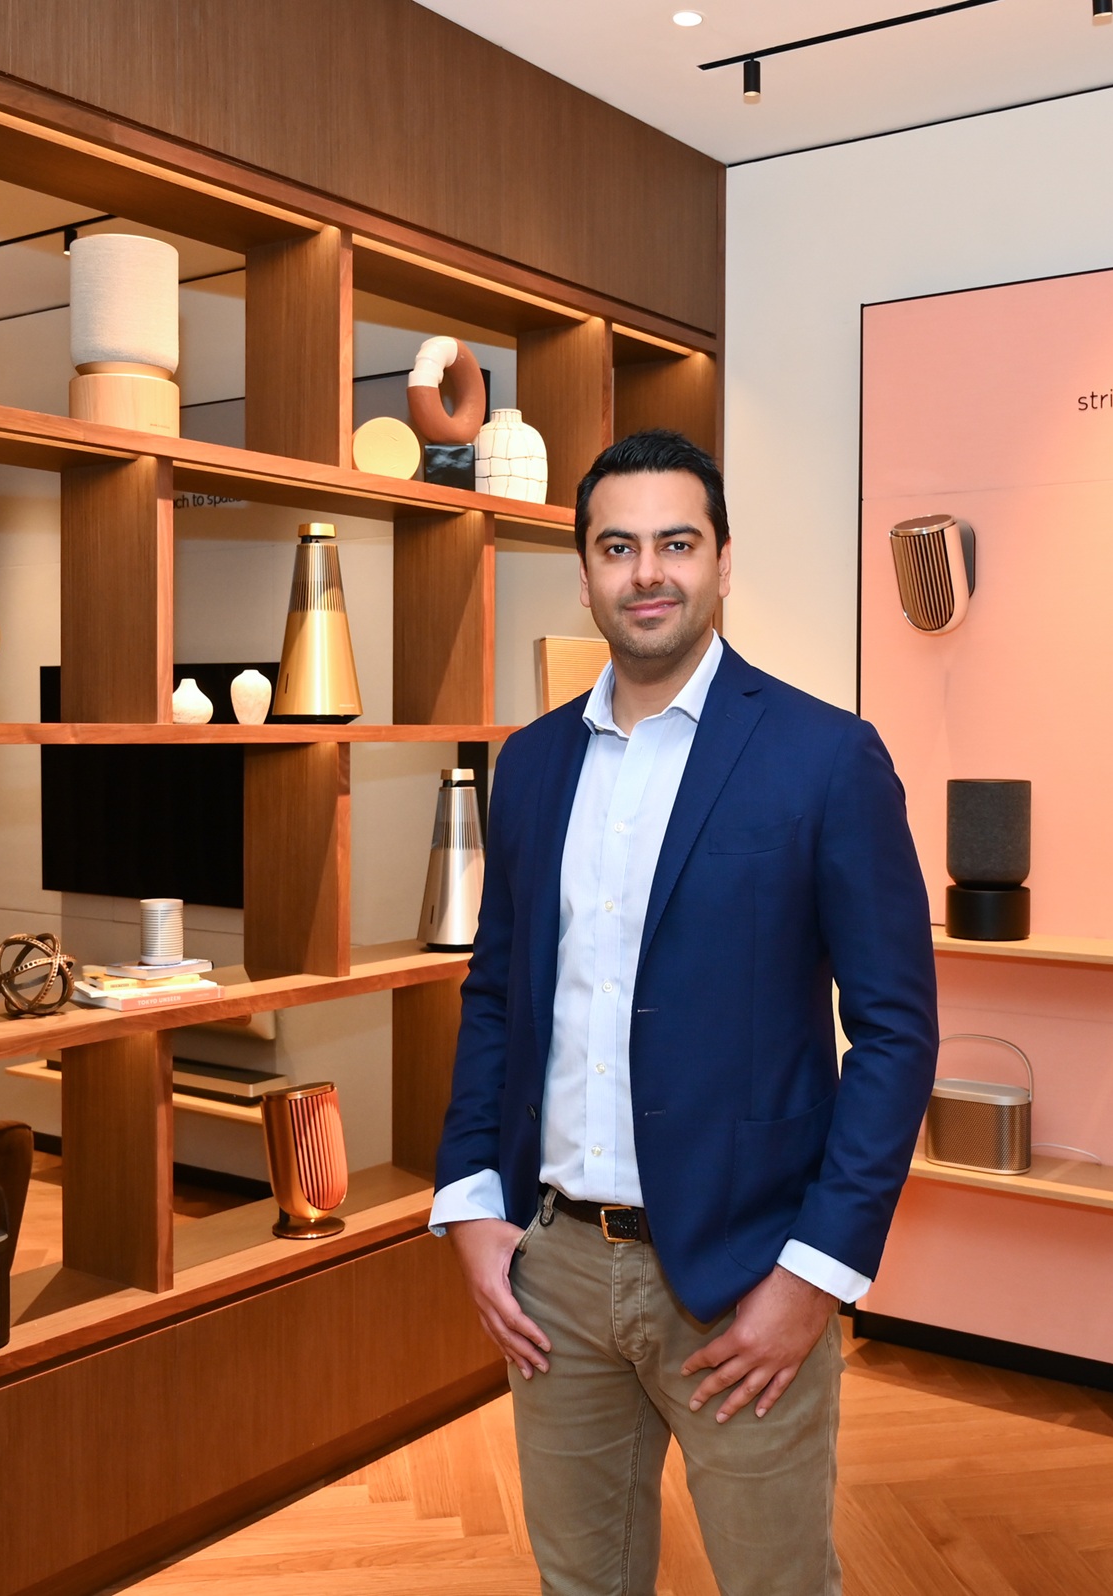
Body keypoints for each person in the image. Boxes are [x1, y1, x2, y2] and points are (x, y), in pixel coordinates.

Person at [430, 429, 938, 1594]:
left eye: (676, 543)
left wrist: (815, 1275)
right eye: (618, 547)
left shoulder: (826, 757)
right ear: (585, 572)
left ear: (722, 562)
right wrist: (471, 1203)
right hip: (555, 1273)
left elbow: (896, 1034)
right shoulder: (534, 764)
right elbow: (497, 994)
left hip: (747, 1275)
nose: (647, 572)